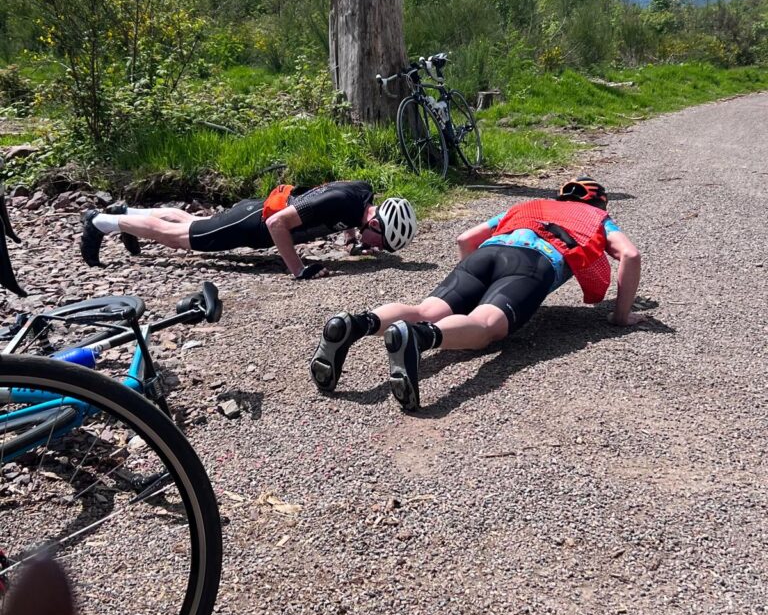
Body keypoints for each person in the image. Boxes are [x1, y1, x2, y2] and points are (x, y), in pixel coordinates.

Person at [310, 177, 643, 410]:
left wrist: (475, 288)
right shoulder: (598, 217)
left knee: (426, 309)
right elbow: (629, 255)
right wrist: (621, 315)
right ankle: (421, 339)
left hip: (488, 252)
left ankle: (358, 323)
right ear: (600, 202)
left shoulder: (531, 205)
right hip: (535, 263)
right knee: (485, 328)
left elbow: (465, 239)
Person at [79, 181, 417, 278]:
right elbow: (276, 224)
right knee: (180, 239)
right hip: (253, 222)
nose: (378, 249)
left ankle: (128, 214)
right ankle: (101, 223)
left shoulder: (361, 198)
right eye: (381, 243)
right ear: (374, 222)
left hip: (254, 211)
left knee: (189, 222)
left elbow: (338, 206)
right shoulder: (345, 203)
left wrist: (352, 240)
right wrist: (298, 269)